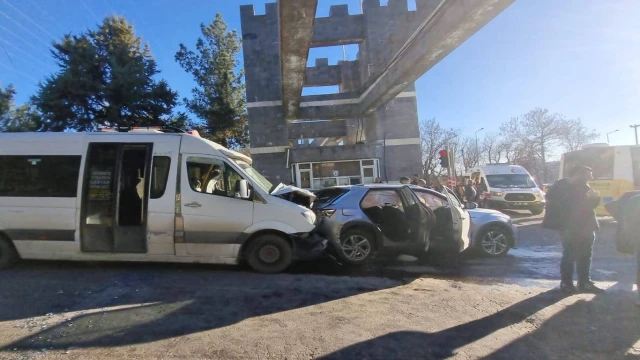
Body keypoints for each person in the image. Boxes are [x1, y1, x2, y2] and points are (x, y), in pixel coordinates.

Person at [543, 165, 603, 294]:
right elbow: (553, 206)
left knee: (586, 255)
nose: (590, 178)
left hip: (587, 226)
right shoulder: (560, 187)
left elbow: (589, 206)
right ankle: (566, 283)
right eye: (588, 175)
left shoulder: (585, 186)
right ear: (577, 174)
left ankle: (584, 282)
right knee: (569, 255)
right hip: (569, 227)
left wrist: (595, 198)